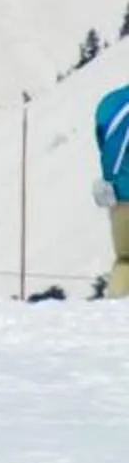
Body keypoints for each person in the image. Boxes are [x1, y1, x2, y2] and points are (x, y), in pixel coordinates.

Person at [99, 78, 129, 301]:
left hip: (119, 199)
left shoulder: (110, 104)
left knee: (125, 261)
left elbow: (103, 144)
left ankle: (115, 311)